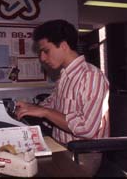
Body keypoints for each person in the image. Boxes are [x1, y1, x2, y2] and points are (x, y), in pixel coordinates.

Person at [15, 19, 110, 175]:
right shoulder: (64, 76)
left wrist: (45, 112)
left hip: (82, 155)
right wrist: (30, 107)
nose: (42, 58)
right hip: (60, 146)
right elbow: (51, 104)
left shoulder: (91, 76)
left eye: (46, 51)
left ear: (64, 46)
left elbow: (88, 129)